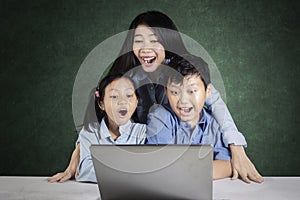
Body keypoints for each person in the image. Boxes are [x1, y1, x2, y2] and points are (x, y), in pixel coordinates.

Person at [48, 10, 263, 183]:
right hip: (140, 158)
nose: (145, 49)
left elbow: (217, 105)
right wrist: (80, 148)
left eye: (154, 41)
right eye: (138, 41)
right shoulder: (128, 78)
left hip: (180, 162)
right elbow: (100, 109)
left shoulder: (184, 74)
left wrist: (236, 149)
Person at [48, 73, 146, 183]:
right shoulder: (90, 132)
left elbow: (146, 169)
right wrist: (129, 172)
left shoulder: (143, 132)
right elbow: (85, 171)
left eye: (129, 95)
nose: (122, 101)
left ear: (137, 101)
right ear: (101, 104)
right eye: (114, 96)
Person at [146, 55, 232, 180]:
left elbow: (226, 166)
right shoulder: (159, 117)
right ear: (166, 91)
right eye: (175, 92)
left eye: (192, 91)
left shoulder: (214, 123)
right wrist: (203, 169)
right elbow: (159, 165)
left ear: (208, 91)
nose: (183, 101)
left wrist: (187, 172)